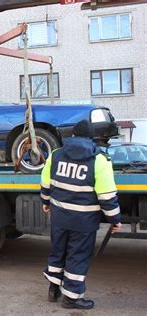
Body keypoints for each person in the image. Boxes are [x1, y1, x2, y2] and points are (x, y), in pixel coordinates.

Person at [40, 119, 122, 310]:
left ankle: (54, 289)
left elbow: (46, 182)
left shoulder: (56, 155)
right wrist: (115, 219)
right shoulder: (99, 160)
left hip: (59, 217)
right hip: (83, 222)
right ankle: (72, 298)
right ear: (92, 138)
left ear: (73, 136)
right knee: (77, 256)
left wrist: (45, 202)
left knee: (58, 252)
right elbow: (107, 196)